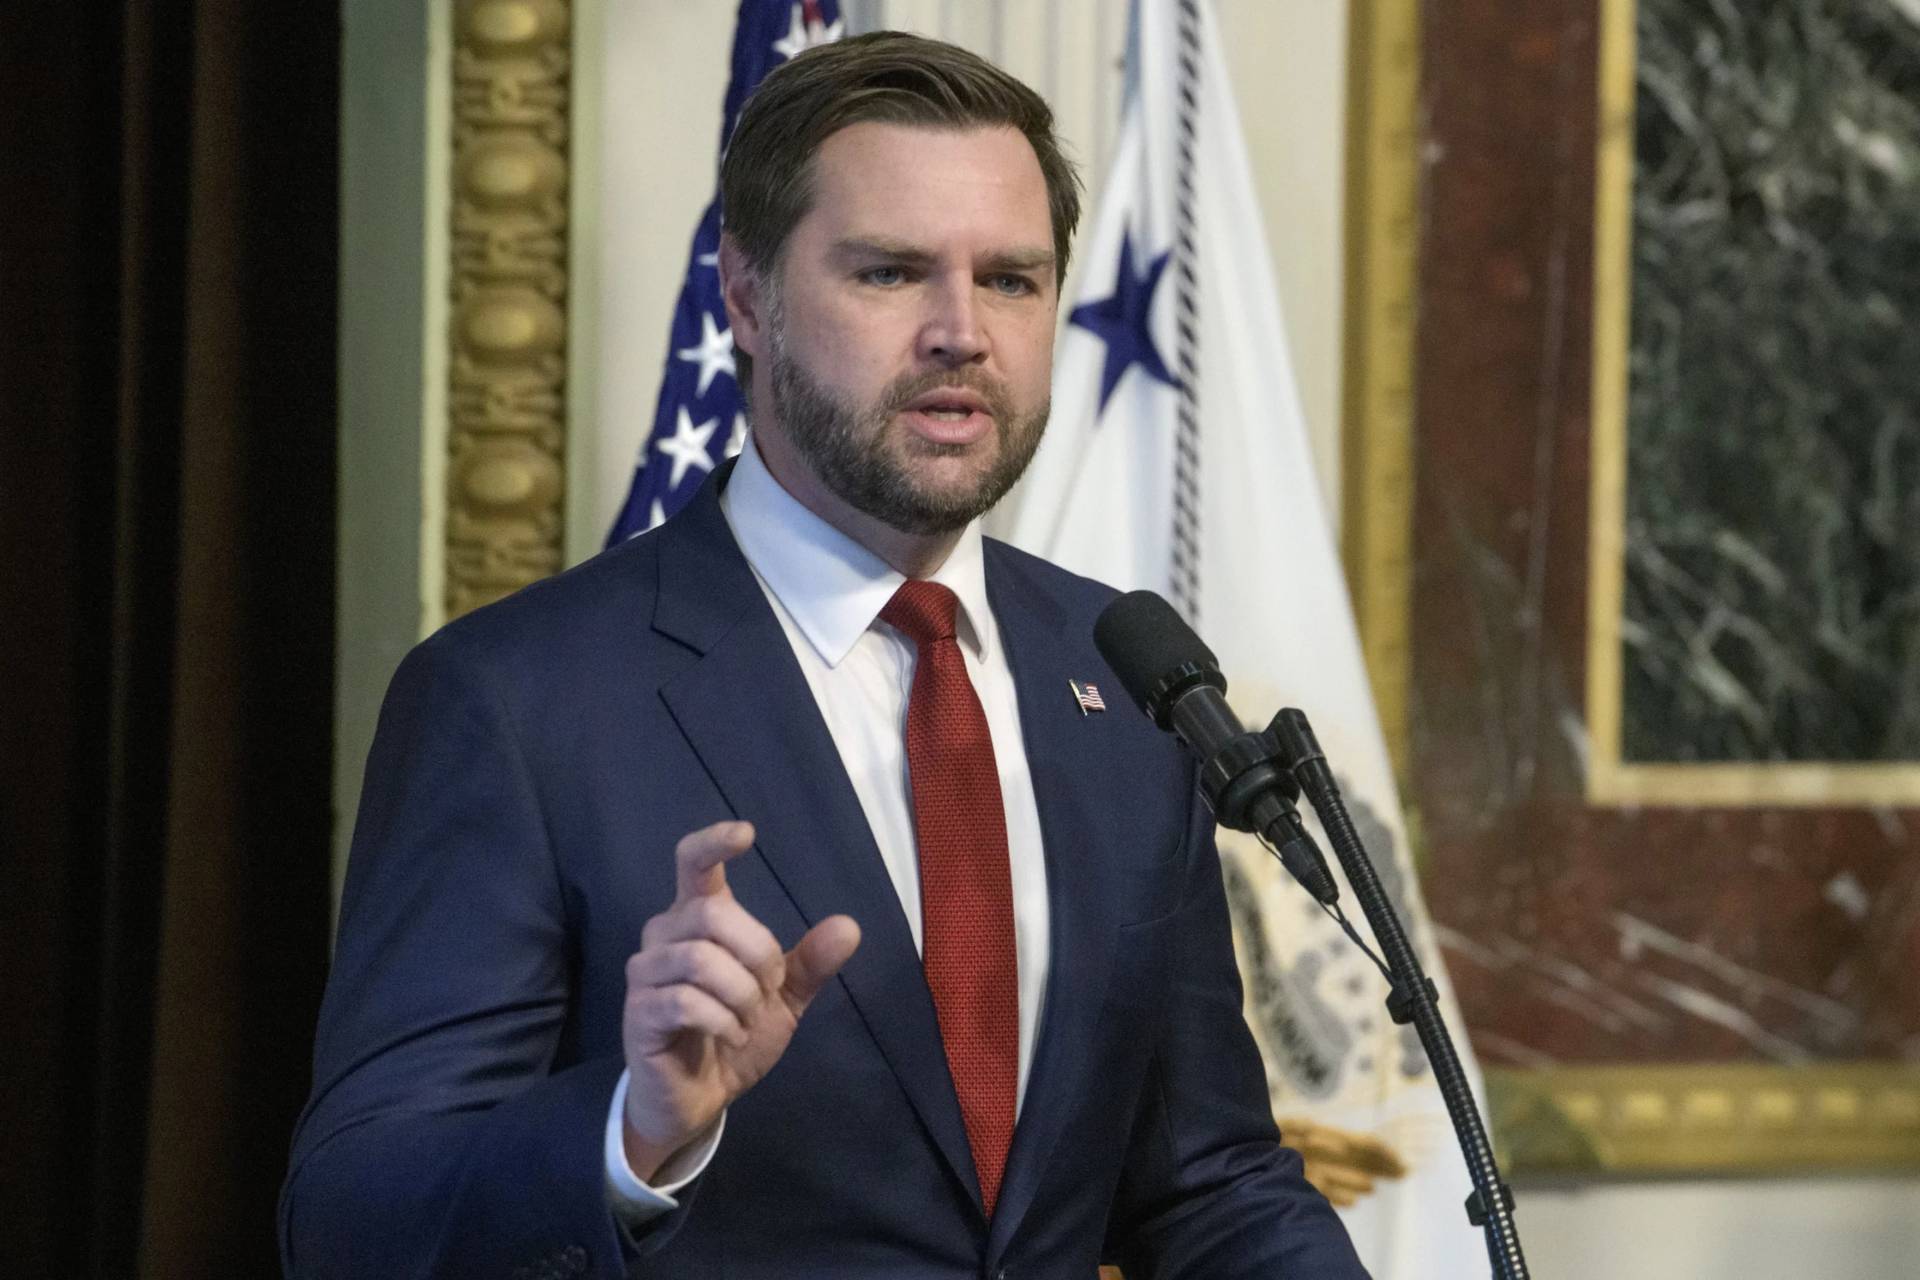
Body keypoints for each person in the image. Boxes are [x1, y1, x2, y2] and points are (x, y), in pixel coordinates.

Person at [281, 31, 1368, 1279]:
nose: (962, 331)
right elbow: (351, 1222)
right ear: (746, 296)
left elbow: (1207, 1183)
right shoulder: (517, 703)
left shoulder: (1121, 675)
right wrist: (632, 1138)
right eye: (893, 272)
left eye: (1013, 279)